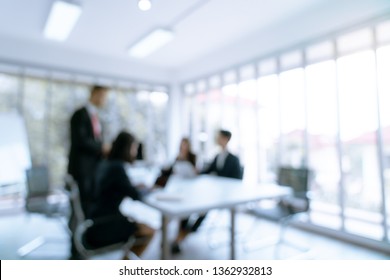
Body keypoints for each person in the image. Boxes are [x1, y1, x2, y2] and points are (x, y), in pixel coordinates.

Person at [171, 130, 242, 254]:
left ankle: (183, 236)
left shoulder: (234, 159)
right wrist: (195, 173)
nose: (217, 139)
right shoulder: (217, 156)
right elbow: (207, 171)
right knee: (189, 207)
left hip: (224, 196)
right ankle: (180, 236)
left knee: (202, 211)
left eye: (219, 137)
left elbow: (236, 181)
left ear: (226, 139)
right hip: (213, 193)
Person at [86, 131, 155, 258]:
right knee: (149, 230)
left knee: (135, 220)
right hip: (103, 226)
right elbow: (136, 195)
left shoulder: (106, 163)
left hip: (95, 220)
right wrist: (146, 189)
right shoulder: (117, 168)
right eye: (134, 147)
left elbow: (120, 187)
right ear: (127, 148)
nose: (135, 152)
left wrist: (132, 186)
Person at [67, 85, 110, 259]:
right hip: (81, 172)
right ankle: (76, 250)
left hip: (92, 172)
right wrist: (102, 147)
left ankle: (84, 244)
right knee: (78, 211)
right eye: (103, 96)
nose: (104, 101)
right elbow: (81, 141)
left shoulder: (95, 117)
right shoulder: (80, 115)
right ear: (95, 94)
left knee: (86, 209)